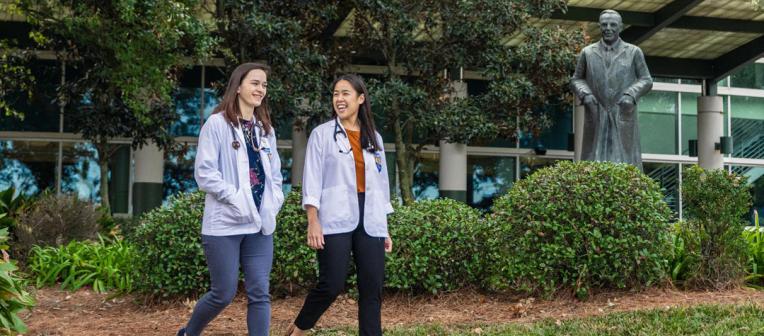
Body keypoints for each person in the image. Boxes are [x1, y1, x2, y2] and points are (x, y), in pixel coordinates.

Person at [178, 62, 285, 336]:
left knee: (260, 292)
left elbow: (274, 176)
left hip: (260, 225)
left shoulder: (265, 130)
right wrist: (236, 198)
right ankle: (189, 333)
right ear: (238, 87)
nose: (260, 89)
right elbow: (205, 174)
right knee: (223, 293)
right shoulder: (217, 124)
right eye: (255, 83)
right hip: (225, 224)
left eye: (264, 85)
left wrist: (273, 203)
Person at [286, 74, 394, 336]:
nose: (339, 99)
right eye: (335, 94)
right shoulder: (322, 134)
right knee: (331, 284)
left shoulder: (374, 138)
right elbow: (311, 179)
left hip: (370, 217)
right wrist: (313, 220)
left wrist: (385, 227)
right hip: (334, 214)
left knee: (372, 288)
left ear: (360, 99)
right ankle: (299, 328)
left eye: (345, 93)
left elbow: (381, 184)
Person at [570, 9, 653, 171]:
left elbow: (646, 80)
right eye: (604, 24)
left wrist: (631, 94)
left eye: (613, 25)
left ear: (620, 27)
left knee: (625, 162)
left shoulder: (633, 52)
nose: (608, 28)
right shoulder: (587, 53)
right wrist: (585, 94)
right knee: (593, 161)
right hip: (596, 110)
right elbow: (576, 79)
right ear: (599, 27)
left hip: (622, 110)